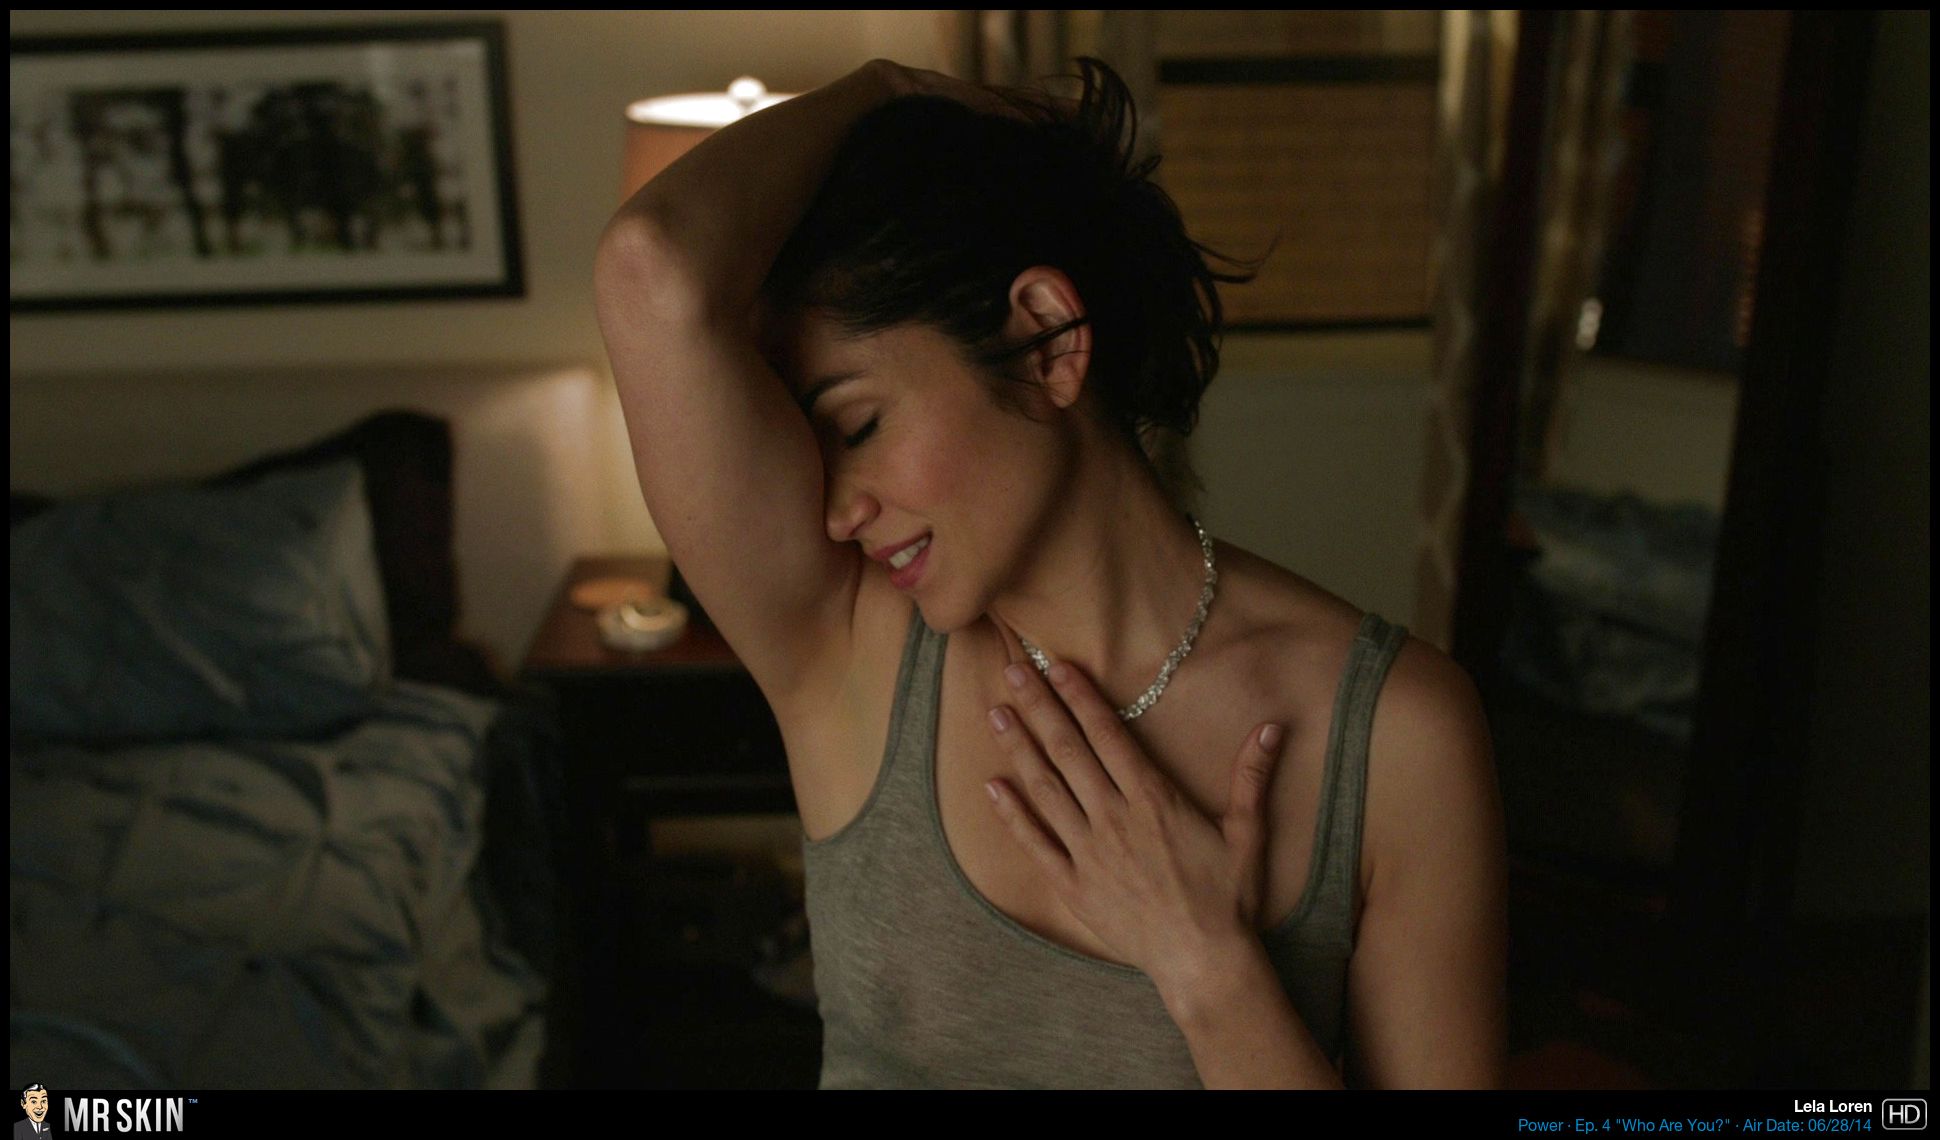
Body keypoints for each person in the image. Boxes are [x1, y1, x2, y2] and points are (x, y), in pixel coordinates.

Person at [594, 56, 1506, 1089]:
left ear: (1042, 342)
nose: (836, 511)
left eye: (858, 426)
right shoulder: (841, 639)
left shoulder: (1395, 738)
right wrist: (883, 89)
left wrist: (1204, 967)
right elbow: (649, 268)